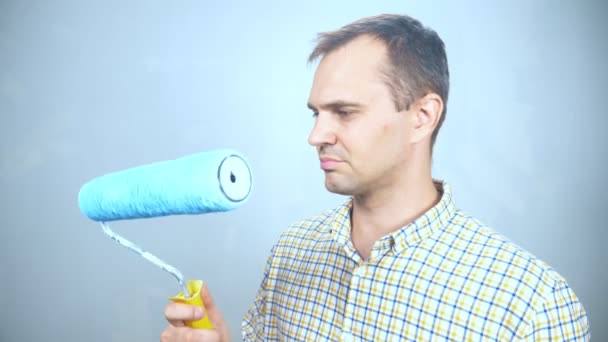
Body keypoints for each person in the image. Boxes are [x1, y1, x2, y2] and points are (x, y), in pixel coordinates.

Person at [161, 14, 590, 341]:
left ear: (423, 117)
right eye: (316, 113)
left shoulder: (531, 304)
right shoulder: (290, 253)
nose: (315, 136)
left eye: (344, 112)